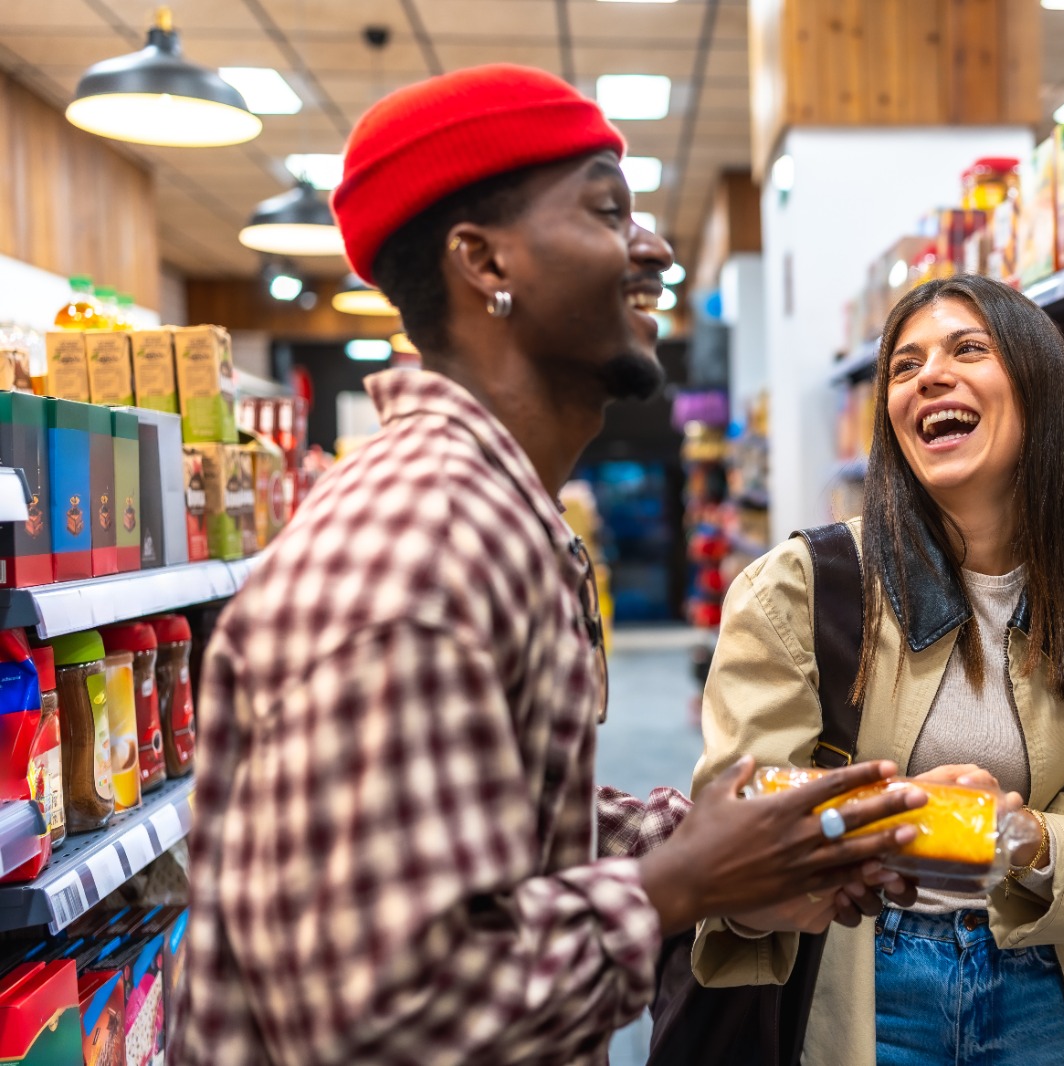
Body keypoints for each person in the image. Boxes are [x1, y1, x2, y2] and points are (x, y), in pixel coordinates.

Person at [176, 65, 926, 1066]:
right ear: (485, 263)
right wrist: (680, 885)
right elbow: (384, 1011)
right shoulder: (415, 546)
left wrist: (728, 844)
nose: (651, 247)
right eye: (609, 211)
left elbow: (493, 825)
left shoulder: (493, 517)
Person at [692, 274, 1064, 1066]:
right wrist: (905, 818)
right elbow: (735, 830)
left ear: (1040, 389)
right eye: (904, 365)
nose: (929, 375)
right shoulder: (798, 590)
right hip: (866, 983)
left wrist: (1023, 838)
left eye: (970, 349)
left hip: (1058, 987)